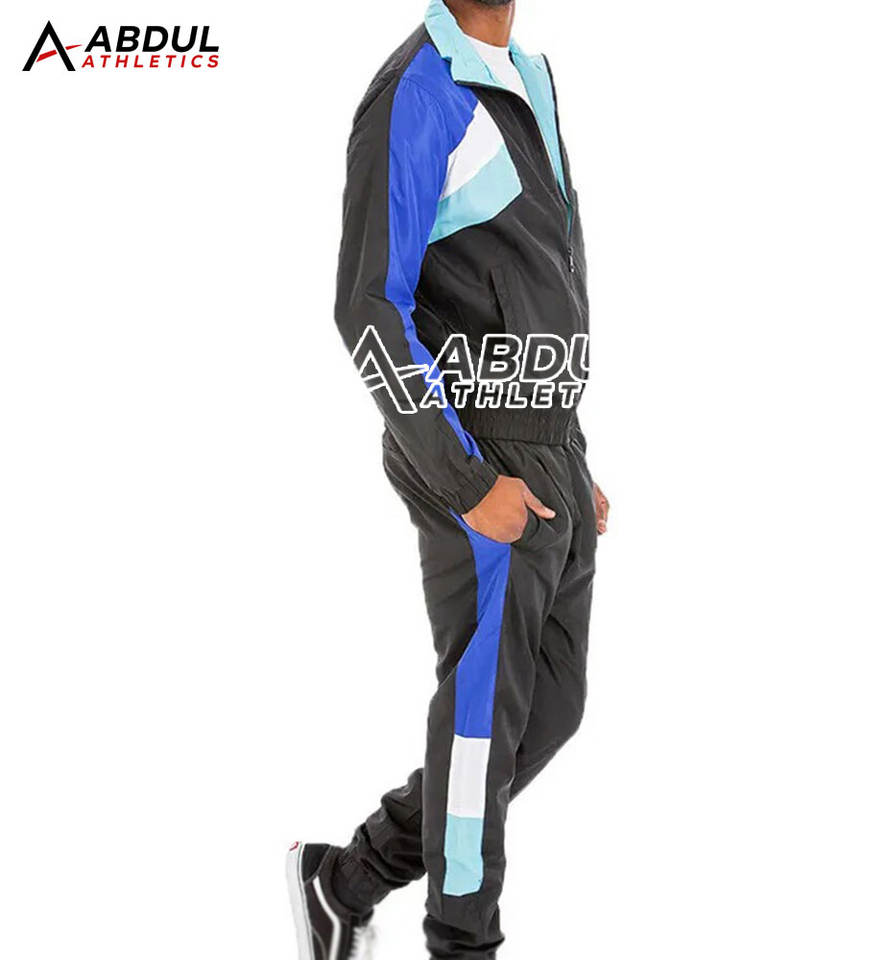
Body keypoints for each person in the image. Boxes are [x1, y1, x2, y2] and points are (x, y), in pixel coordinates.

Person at [288, 1, 609, 957]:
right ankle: (461, 942)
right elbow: (367, 310)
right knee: (479, 733)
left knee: (548, 711)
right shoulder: (415, 91)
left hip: (547, 452)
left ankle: (346, 880)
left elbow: (544, 278)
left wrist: (571, 444)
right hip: (472, 457)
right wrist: (468, 483)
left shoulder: (531, 76)